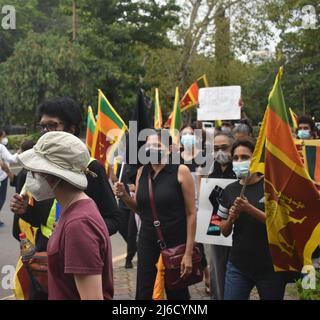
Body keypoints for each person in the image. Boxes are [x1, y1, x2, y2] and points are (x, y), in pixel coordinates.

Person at [10, 97, 120, 252]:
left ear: (71, 129)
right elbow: (41, 220)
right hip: (44, 256)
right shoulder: (36, 166)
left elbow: (114, 220)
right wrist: (25, 211)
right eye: (43, 127)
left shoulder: (91, 168)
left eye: (52, 125)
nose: (45, 132)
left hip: (80, 257)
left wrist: (80, 231)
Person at [17, 131, 113, 300]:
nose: (30, 177)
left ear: (54, 177)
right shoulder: (75, 210)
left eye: (35, 172)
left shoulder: (79, 224)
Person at [113, 130, 196, 300]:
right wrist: (125, 196)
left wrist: (188, 253)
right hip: (147, 239)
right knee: (144, 291)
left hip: (176, 240)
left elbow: (191, 213)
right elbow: (141, 209)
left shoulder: (181, 171)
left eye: (157, 145)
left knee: (176, 291)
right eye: (148, 146)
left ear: (170, 149)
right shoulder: (141, 172)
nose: (152, 149)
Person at [219, 140, 286, 300]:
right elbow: (223, 230)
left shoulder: (271, 188)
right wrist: (231, 219)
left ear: (255, 159)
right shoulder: (229, 190)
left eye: (244, 157)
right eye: (235, 158)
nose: (239, 162)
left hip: (270, 267)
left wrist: (249, 209)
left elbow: (278, 226)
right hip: (237, 266)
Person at [200, 132, 237, 300]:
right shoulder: (208, 169)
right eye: (215, 148)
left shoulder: (240, 168)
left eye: (224, 148)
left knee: (237, 269)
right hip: (214, 222)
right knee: (217, 266)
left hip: (238, 226)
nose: (220, 152)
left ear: (232, 148)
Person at [179, 124, 210, 294]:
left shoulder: (202, 157)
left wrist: (201, 208)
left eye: (191, 134)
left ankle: (207, 275)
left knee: (197, 242)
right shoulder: (175, 157)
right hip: (180, 207)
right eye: (185, 134)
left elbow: (204, 184)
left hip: (197, 206)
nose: (188, 137)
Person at [0, 140, 35, 241]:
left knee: (26, 241)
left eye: (20, 150)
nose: (18, 152)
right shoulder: (26, 168)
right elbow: (16, 181)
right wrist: (7, 170)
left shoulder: (28, 171)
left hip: (24, 212)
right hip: (23, 211)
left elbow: (18, 185)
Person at [0, 129, 19, 226]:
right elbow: (11, 159)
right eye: (3, 136)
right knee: (1, 198)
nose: (5, 139)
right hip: (2, 176)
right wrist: (19, 152)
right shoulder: (1, 147)